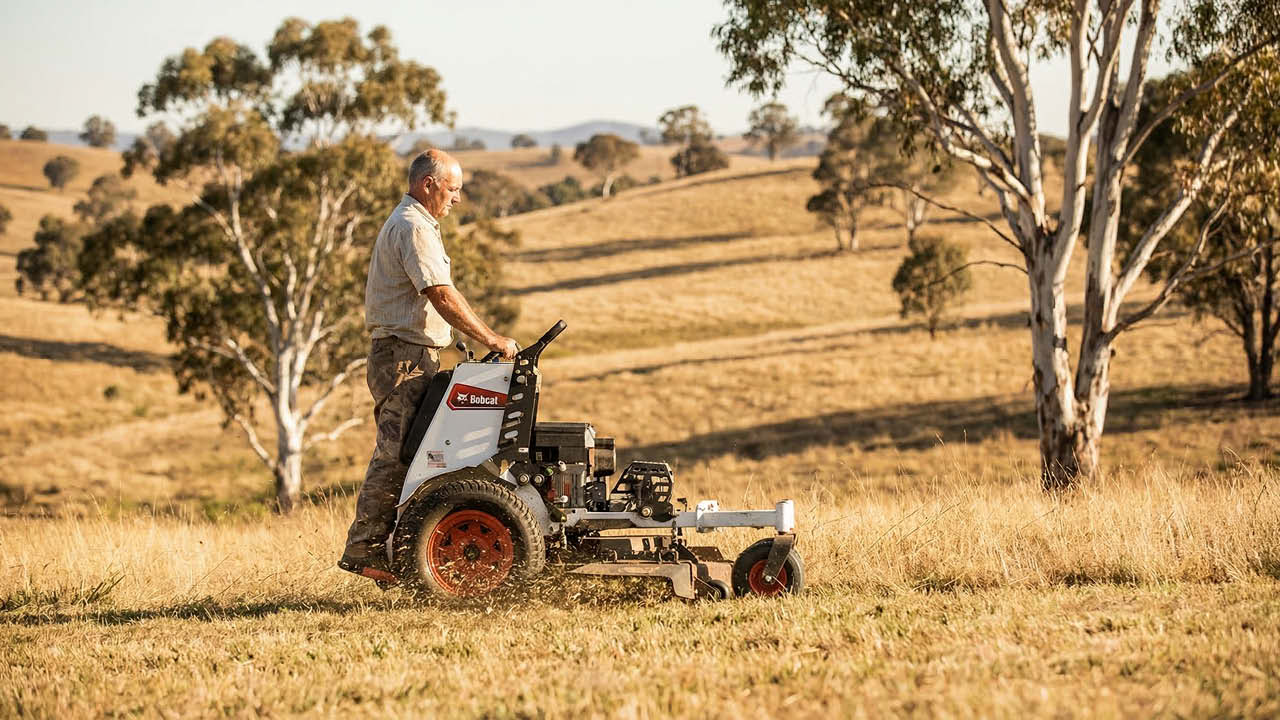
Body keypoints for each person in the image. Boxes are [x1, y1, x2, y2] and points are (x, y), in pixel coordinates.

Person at [339, 148, 518, 584]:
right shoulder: (413, 227)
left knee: (418, 453)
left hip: (413, 354)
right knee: (397, 452)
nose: (457, 198)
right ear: (428, 185)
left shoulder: (417, 224)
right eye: (453, 189)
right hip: (403, 358)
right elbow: (440, 293)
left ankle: (396, 546)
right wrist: (491, 338)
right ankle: (366, 550)